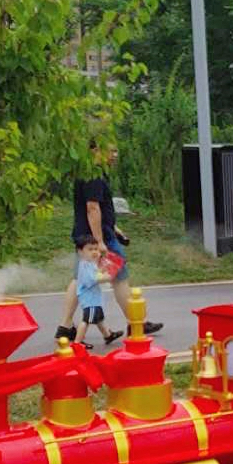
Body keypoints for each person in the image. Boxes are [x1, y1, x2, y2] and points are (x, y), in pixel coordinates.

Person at [55, 140, 160, 342]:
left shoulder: (88, 172)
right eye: (111, 150)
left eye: (116, 150)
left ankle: (65, 326)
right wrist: (100, 242)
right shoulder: (94, 176)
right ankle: (136, 323)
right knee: (119, 277)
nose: (115, 155)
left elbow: (100, 209)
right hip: (98, 240)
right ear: (95, 150)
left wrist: (115, 228)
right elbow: (92, 208)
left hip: (90, 237)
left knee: (80, 279)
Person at [73, 240, 123, 348]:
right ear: (80, 252)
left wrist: (102, 270)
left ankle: (108, 335)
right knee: (87, 320)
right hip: (89, 299)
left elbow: (96, 274)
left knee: (99, 318)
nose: (94, 252)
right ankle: (77, 342)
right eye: (90, 249)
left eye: (96, 249)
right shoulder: (85, 265)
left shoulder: (91, 264)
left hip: (94, 299)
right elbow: (90, 280)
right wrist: (106, 277)